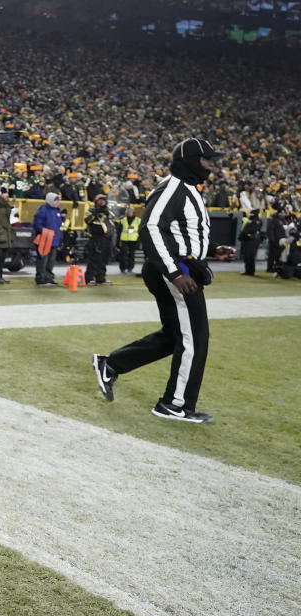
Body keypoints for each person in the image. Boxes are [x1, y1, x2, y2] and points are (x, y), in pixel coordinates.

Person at [92, 138, 223, 424]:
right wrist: (174, 272)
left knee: (178, 335)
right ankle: (174, 405)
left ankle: (111, 364)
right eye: (207, 160)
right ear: (189, 160)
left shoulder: (189, 190)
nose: (212, 166)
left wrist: (213, 250)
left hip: (180, 267)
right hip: (175, 271)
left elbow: (186, 235)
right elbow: (150, 227)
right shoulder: (173, 187)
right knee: (195, 339)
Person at [32, 192, 64, 285]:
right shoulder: (43, 210)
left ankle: (49, 277)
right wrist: (46, 232)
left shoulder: (57, 211)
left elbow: (59, 226)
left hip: (54, 240)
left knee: (51, 260)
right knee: (43, 260)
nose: (57, 202)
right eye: (55, 201)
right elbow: (37, 224)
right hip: (44, 240)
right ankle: (41, 278)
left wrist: (60, 237)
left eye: (58, 201)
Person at [84, 194, 113, 285]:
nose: (102, 202)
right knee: (94, 259)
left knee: (103, 259)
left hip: (106, 238)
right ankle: (89, 278)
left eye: (103, 200)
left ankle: (101, 278)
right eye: (100, 200)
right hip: (95, 238)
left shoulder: (108, 212)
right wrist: (95, 214)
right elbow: (86, 220)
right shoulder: (91, 210)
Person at [117, 204, 142, 275]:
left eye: (130, 211)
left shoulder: (138, 220)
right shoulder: (122, 220)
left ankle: (130, 268)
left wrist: (139, 241)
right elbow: (119, 231)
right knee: (123, 254)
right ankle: (123, 268)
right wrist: (117, 241)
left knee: (131, 255)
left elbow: (140, 232)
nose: (129, 212)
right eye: (128, 211)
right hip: (124, 240)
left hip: (134, 240)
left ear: (133, 212)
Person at [238, 208, 263, 276]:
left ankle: (251, 271)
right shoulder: (250, 220)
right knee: (246, 256)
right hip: (247, 240)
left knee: (251, 256)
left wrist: (246, 232)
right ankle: (247, 270)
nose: (250, 214)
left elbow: (253, 230)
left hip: (252, 240)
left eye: (252, 213)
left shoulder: (258, 221)